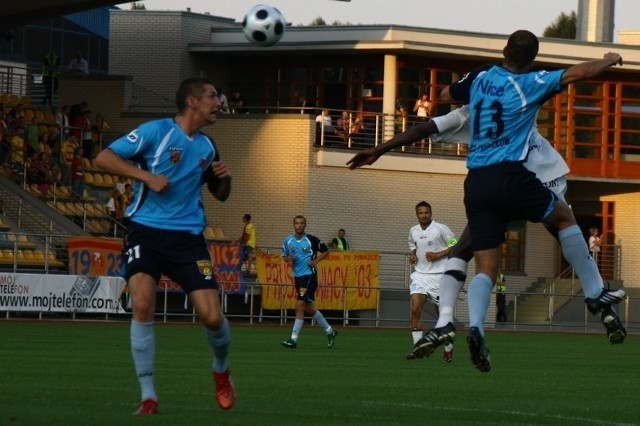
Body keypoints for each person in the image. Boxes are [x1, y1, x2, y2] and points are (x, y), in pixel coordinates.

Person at [437, 30, 626, 371]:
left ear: (504, 49)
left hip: (476, 182)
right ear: (532, 59)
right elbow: (577, 73)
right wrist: (608, 60)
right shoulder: (532, 82)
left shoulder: (481, 76)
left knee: (485, 267)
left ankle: (476, 326)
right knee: (565, 217)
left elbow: (446, 92)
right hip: (510, 175)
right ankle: (597, 293)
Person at [93, 77, 236, 414]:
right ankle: (148, 396)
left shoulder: (207, 146)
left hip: (188, 241)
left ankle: (221, 370)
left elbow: (221, 194)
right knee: (142, 303)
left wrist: (225, 178)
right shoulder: (154, 132)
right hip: (145, 232)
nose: (219, 102)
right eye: (213, 96)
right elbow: (103, 158)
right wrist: (146, 177)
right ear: (192, 102)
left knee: (212, 318)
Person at [405, 201, 457, 362]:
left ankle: (448, 348)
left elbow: (456, 246)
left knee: (442, 316)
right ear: (417, 215)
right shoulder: (413, 230)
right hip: (420, 275)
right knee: (415, 309)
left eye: (426, 212)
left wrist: (438, 255)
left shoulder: (441, 228)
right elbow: (413, 245)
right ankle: (417, 347)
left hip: (439, 276)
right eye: (420, 213)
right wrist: (413, 255)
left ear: (431, 213)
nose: (424, 215)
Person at [280, 215, 338, 349]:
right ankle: (330, 331)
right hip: (298, 277)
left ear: (304, 225)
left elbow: (326, 251)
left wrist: (316, 261)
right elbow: (284, 256)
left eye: (301, 223)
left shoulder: (311, 240)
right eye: (297, 223)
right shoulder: (288, 241)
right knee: (309, 308)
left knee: (299, 305)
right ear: (293, 225)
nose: (299, 225)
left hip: (309, 276)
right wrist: (289, 258)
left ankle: (293, 339)